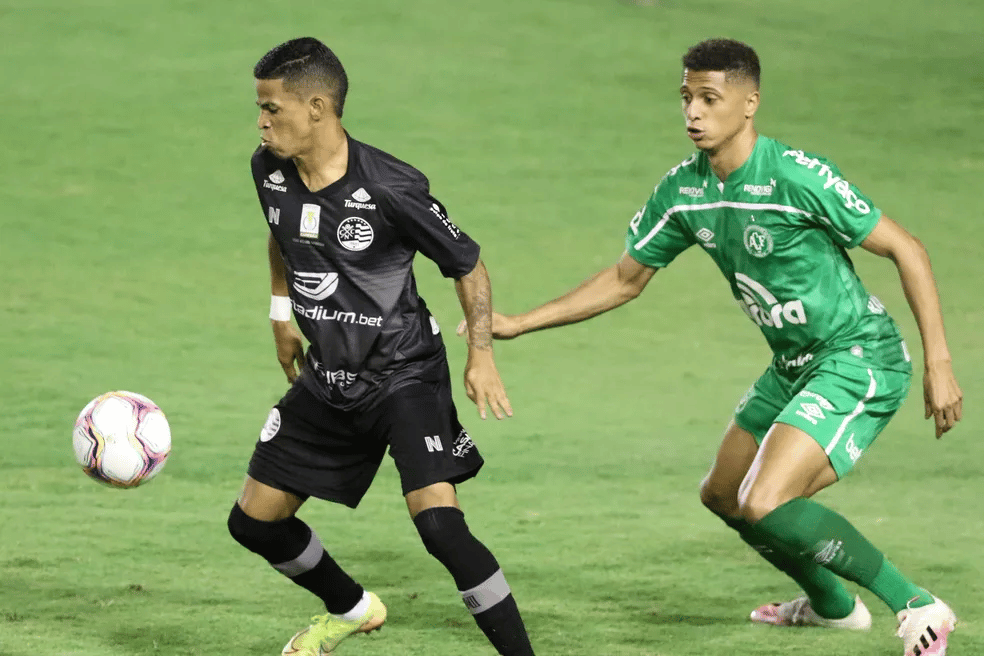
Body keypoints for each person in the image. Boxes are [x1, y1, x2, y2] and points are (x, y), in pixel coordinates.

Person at [461, 38, 962, 656]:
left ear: (749, 103)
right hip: (793, 365)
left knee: (766, 501)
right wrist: (519, 323)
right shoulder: (685, 190)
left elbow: (908, 248)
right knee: (723, 494)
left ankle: (917, 604)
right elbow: (625, 279)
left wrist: (939, 363)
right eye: (686, 98)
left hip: (857, 356)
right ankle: (833, 607)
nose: (693, 112)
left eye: (709, 98)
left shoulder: (796, 176)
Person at [227, 37, 536, 656]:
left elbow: (468, 266)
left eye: (272, 108)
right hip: (329, 376)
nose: (261, 122)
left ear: (317, 108)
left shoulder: (391, 187)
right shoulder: (269, 168)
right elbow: (280, 233)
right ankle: (352, 609)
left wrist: (480, 355)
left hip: (404, 373)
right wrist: (281, 312)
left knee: (440, 527)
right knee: (253, 522)